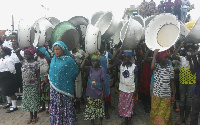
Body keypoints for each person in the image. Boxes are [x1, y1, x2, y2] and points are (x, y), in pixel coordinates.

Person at [48, 41, 79, 125]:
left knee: (65, 106)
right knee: (56, 107)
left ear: (63, 49)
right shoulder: (53, 59)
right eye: (54, 50)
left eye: (58, 49)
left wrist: (67, 79)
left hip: (66, 90)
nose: (56, 51)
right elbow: (51, 73)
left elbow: (75, 71)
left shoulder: (69, 60)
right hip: (54, 91)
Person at [15, 47, 41, 124]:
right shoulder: (23, 61)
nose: (25, 55)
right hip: (26, 85)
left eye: (27, 54)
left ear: (32, 54)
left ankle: (35, 116)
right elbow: (17, 52)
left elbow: (38, 76)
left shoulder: (36, 63)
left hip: (34, 85)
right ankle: (31, 116)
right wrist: (23, 46)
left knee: (34, 101)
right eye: (25, 54)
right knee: (28, 102)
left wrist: (39, 87)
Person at [150, 49, 175, 125]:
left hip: (166, 96)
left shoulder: (170, 68)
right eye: (165, 57)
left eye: (167, 57)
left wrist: (173, 95)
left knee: (165, 116)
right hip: (156, 95)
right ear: (160, 59)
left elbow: (172, 82)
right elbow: (152, 67)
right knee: (155, 114)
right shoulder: (157, 67)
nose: (167, 59)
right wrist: (154, 55)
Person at [173, 42, 196, 125]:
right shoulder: (182, 58)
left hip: (191, 83)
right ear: (186, 52)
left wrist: (190, 60)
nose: (190, 52)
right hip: (182, 82)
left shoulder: (195, 60)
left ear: (194, 52)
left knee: (189, 100)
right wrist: (180, 46)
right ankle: (181, 118)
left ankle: (186, 118)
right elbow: (174, 56)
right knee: (182, 99)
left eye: (191, 51)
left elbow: (193, 72)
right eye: (188, 51)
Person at [81, 53, 106, 125]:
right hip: (90, 92)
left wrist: (102, 94)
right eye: (92, 61)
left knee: (99, 109)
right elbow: (81, 67)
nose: (93, 63)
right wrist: (85, 58)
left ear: (99, 62)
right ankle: (92, 122)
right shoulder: (90, 68)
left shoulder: (102, 70)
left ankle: (100, 121)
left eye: (95, 61)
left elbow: (104, 83)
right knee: (91, 109)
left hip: (98, 93)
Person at [118, 50, 138, 125]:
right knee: (123, 105)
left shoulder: (134, 67)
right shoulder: (121, 64)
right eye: (125, 57)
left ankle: (129, 121)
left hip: (130, 89)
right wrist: (121, 48)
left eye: (128, 57)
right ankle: (125, 120)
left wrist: (136, 89)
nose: (126, 59)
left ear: (131, 58)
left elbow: (136, 79)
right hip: (122, 88)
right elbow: (116, 58)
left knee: (130, 105)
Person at [0, 47, 17, 113]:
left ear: (5, 52)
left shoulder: (9, 60)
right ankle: (9, 103)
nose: (1, 53)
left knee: (11, 91)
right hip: (3, 76)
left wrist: (9, 76)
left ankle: (14, 106)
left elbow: (12, 70)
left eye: (2, 52)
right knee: (6, 90)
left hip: (8, 76)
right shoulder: (2, 59)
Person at [36, 46, 51, 114]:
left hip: (46, 77)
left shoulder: (47, 58)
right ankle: (43, 106)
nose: (37, 52)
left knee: (47, 91)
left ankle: (49, 107)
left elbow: (50, 67)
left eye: (38, 51)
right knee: (41, 92)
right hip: (40, 77)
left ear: (42, 51)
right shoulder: (36, 58)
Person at [189, 49, 200, 125]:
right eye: (199, 57)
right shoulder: (197, 66)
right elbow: (193, 55)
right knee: (194, 112)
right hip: (197, 92)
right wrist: (198, 52)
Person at [140, 49, 152, 113]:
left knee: (148, 90)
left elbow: (145, 59)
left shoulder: (154, 57)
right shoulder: (148, 57)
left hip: (150, 74)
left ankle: (148, 105)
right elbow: (145, 59)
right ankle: (146, 105)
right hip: (146, 75)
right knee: (145, 89)